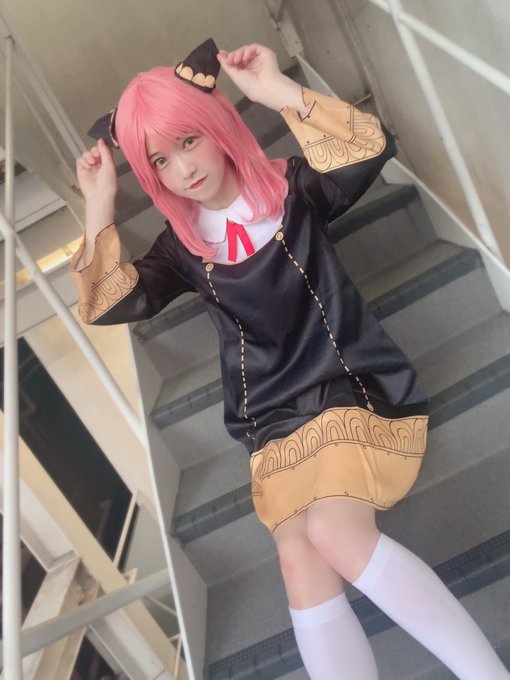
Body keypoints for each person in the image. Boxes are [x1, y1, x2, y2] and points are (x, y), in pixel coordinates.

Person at [72, 39, 509, 680]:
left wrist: (275, 91)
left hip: (348, 381)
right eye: (160, 160)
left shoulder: (294, 188)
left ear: (218, 125)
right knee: (297, 557)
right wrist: (98, 202)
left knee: (332, 533)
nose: (183, 169)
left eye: (189, 140)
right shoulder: (181, 249)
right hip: (272, 419)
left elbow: (367, 148)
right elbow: (107, 302)